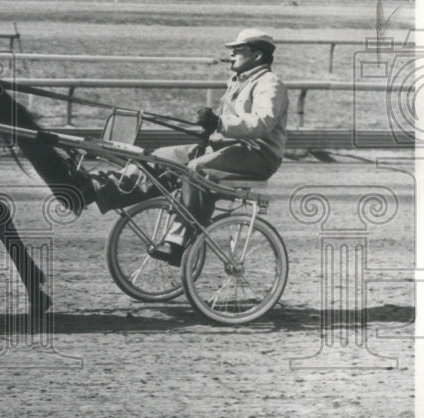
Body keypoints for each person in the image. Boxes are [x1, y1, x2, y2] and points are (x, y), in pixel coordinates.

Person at [76, 28, 289, 265]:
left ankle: (179, 241)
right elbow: (230, 125)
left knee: (196, 169)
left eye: (237, 51)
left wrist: (219, 122)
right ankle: (101, 188)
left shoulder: (271, 84)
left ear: (257, 55)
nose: (231, 56)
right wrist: (211, 127)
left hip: (258, 156)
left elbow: (262, 123)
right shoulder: (239, 81)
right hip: (227, 148)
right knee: (163, 157)